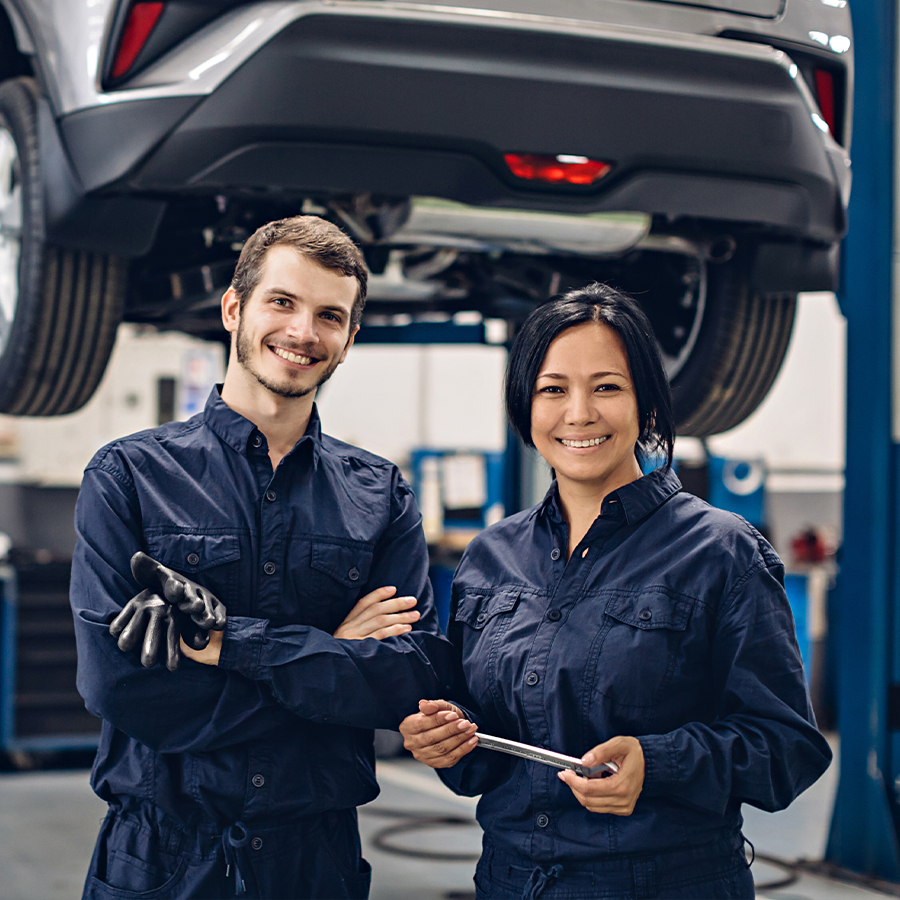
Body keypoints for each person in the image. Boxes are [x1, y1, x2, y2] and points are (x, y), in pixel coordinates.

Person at [400, 283, 831, 900]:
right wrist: (448, 738)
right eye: (553, 390)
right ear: (525, 409)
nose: (578, 413)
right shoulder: (490, 558)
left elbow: (788, 748)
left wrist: (658, 763)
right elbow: (481, 751)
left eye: (607, 387)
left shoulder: (719, 552)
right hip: (511, 881)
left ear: (647, 409)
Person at [70, 215, 455, 900]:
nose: (303, 332)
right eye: (283, 302)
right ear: (234, 308)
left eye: (329, 316)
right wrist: (330, 656)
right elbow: (119, 687)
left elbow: (405, 680)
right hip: (160, 859)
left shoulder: (380, 494)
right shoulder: (129, 476)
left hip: (314, 861)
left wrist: (225, 646)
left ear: (349, 339)